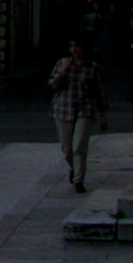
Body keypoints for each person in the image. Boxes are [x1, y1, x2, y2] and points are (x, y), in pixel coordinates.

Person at [50, 36, 109, 194]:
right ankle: (74, 169)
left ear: (85, 48)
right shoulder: (63, 63)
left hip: (85, 109)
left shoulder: (93, 68)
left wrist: (103, 114)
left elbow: (100, 92)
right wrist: (62, 72)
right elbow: (52, 85)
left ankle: (78, 180)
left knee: (79, 147)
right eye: (71, 46)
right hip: (64, 109)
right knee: (67, 149)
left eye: (77, 46)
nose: (74, 50)